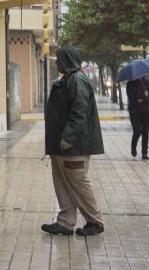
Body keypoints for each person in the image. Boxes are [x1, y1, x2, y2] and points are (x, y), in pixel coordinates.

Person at [42, 44, 105, 237]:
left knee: (77, 181)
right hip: (60, 147)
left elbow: (79, 112)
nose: (57, 63)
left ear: (67, 60)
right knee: (62, 183)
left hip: (73, 146)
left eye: (59, 60)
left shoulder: (77, 80)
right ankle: (65, 222)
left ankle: (95, 220)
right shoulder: (68, 79)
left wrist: (68, 136)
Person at [126, 75, 149, 159]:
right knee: (137, 131)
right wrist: (142, 98)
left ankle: (144, 153)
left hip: (146, 111)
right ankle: (133, 146)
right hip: (134, 111)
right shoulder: (130, 84)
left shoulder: (147, 83)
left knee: (145, 132)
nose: (140, 76)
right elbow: (131, 97)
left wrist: (146, 97)